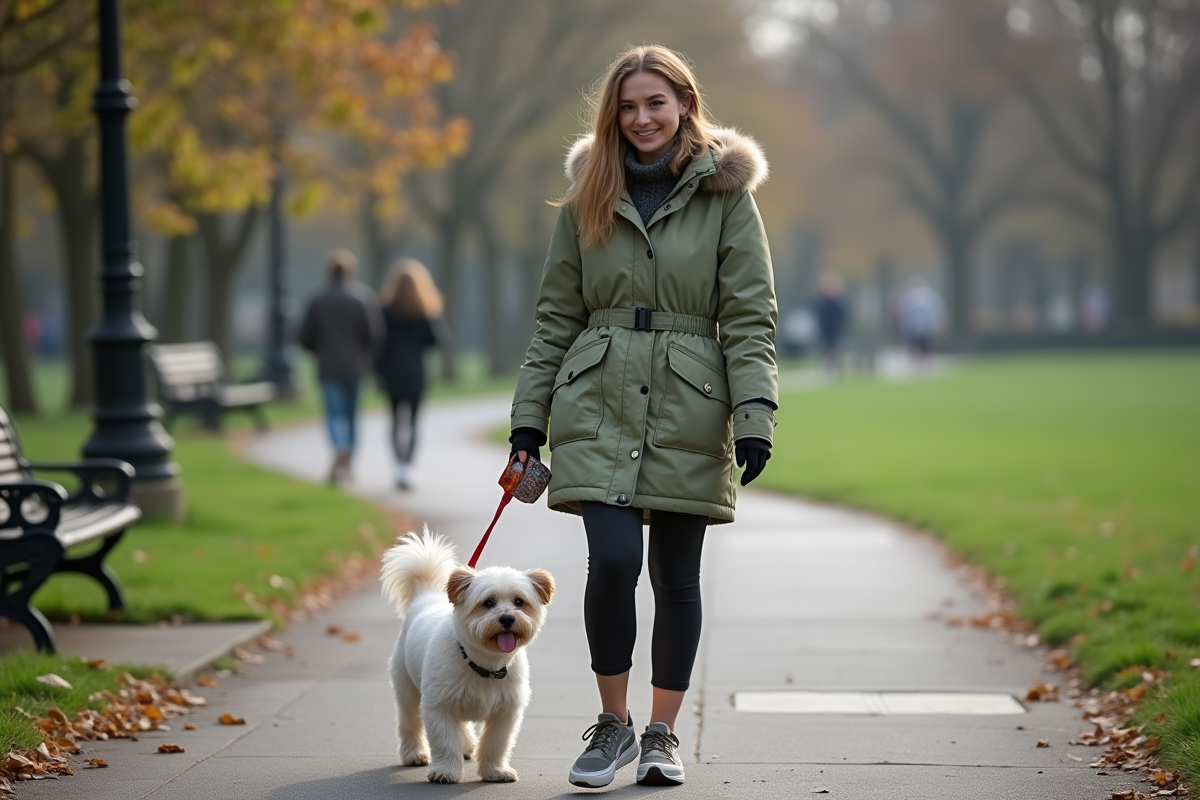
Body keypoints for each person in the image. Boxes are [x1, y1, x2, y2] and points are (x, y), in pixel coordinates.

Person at [508, 45, 778, 789]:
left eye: (655, 103)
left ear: (685, 103)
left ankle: (662, 733)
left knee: (676, 575)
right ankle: (613, 725)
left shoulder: (727, 197)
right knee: (614, 560)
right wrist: (528, 421)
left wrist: (756, 412)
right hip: (596, 399)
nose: (641, 118)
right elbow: (555, 317)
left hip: (691, 403)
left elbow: (749, 316)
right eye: (627, 107)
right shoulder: (588, 193)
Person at [297, 249, 382, 484]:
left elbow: (304, 336)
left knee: (334, 414)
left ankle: (339, 446)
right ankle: (349, 461)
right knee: (352, 415)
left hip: (328, 366)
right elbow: (374, 335)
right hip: (355, 366)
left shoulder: (317, 299)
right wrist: (365, 356)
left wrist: (319, 350)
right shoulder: (363, 298)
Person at [375, 258, 446, 490]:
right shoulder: (424, 311)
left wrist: (378, 372)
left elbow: (378, 343)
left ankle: (399, 465)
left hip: (392, 373)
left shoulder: (385, 312)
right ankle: (408, 468)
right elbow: (438, 340)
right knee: (414, 423)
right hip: (416, 374)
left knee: (395, 421)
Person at [895, 276, 945, 366]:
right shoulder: (930, 296)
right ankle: (921, 364)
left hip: (920, 327)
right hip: (919, 327)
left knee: (920, 346)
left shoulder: (929, 296)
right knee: (922, 346)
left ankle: (920, 364)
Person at [813, 272, 848, 374]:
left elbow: (843, 315)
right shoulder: (822, 302)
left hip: (835, 330)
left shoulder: (837, 302)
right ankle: (828, 368)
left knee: (835, 349)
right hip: (825, 330)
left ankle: (837, 368)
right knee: (826, 350)